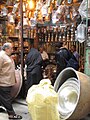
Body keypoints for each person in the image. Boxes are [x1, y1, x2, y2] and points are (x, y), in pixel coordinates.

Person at [0, 42, 22, 119]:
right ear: (6, 49)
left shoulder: (6, 56)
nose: (13, 50)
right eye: (11, 48)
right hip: (3, 81)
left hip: (7, 81)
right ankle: (11, 114)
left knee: (4, 97)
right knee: (6, 98)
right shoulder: (1, 56)